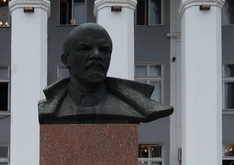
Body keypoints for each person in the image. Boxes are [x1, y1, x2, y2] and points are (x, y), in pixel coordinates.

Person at [38, 23, 173, 124]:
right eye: (85, 49)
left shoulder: (133, 107)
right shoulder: (49, 109)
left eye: (104, 50)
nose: (96, 55)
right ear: (66, 60)